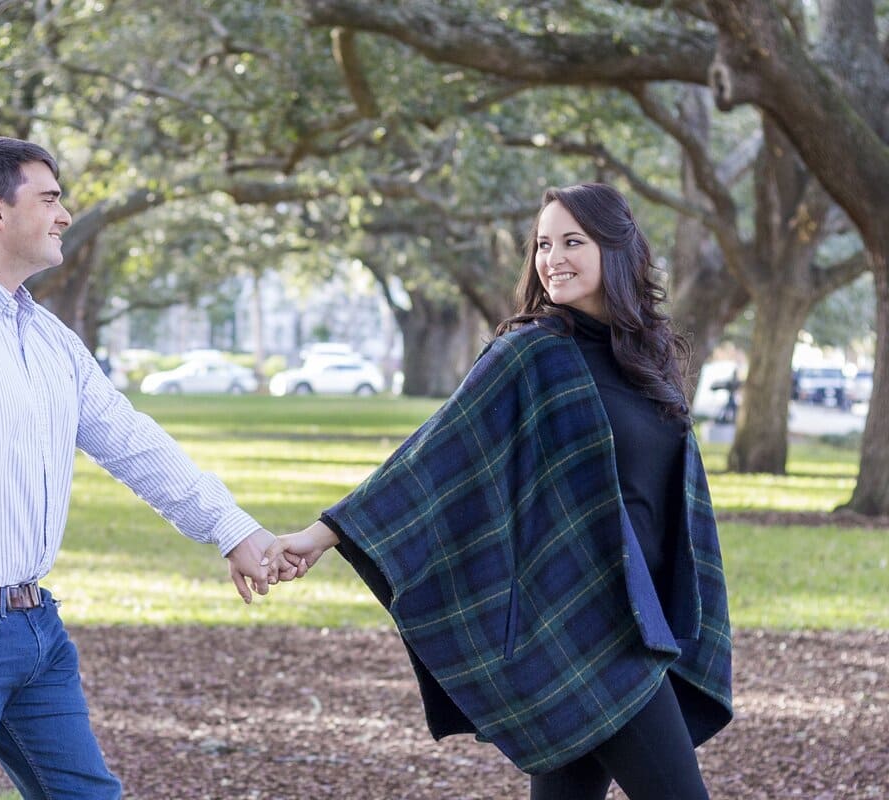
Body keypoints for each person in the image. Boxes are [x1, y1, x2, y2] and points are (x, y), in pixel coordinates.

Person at [0, 135, 287, 799]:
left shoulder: (47, 338)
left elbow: (132, 441)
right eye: (48, 198)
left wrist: (233, 528)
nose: (63, 214)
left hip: (33, 626)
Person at [265, 183, 733, 800]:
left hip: (639, 619)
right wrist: (320, 535)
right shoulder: (532, 353)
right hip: (581, 624)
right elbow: (432, 453)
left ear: (616, 251)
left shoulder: (645, 358)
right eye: (543, 244)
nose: (552, 257)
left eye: (573, 241)